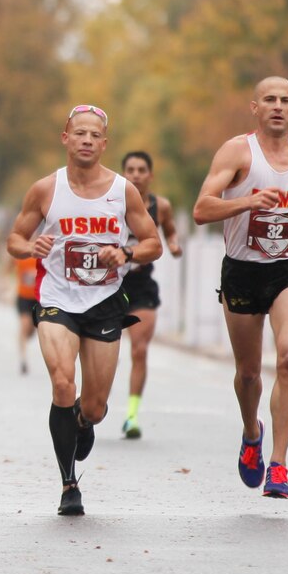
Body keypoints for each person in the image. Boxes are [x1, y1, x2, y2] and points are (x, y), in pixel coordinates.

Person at [7, 104, 162, 516]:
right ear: (66, 138)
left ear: (104, 143)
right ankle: (68, 484)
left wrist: (125, 251)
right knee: (62, 384)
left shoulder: (122, 190)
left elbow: (153, 244)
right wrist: (31, 247)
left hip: (105, 303)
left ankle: (83, 420)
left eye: (95, 135)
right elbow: (16, 239)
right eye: (80, 134)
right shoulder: (45, 190)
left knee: (93, 406)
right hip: (57, 299)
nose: (87, 140)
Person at [192, 76, 288, 499]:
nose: (277, 106)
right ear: (254, 108)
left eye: (285, 100)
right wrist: (246, 202)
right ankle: (251, 431)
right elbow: (202, 209)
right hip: (241, 270)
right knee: (249, 372)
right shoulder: (237, 151)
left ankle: (279, 464)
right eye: (269, 99)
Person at [118, 151, 183, 439]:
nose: (135, 174)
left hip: (142, 285)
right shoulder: (111, 202)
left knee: (139, 350)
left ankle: (132, 415)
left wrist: (174, 244)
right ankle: (90, 404)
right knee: (99, 349)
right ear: (122, 174)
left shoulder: (161, 206)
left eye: (141, 169)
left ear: (150, 175)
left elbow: (169, 231)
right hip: (109, 284)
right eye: (130, 169)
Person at [13, 255, 39, 375]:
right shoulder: (20, 256)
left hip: (37, 299)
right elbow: (8, 268)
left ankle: (28, 333)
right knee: (24, 325)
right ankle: (23, 359)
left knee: (32, 328)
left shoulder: (42, 255)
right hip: (23, 297)